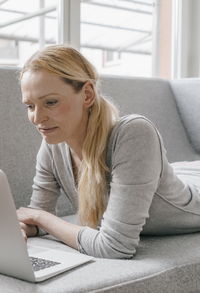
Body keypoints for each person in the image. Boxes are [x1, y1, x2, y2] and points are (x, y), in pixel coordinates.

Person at [16, 44, 200, 259]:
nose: (37, 119)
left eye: (50, 102)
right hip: (175, 173)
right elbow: (34, 216)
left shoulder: (134, 133)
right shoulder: (53, 145)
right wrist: (16, 228)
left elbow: (115, 246)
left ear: (87, 94)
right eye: (30, 106)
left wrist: (40, 218)